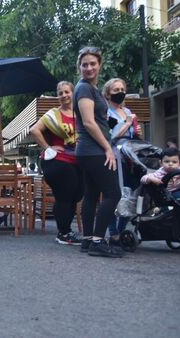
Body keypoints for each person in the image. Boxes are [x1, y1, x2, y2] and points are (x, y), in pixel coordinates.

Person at [73, 47, 124, 257]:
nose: (89, 67)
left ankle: (87, 240)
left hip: (88, 150)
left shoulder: (91, 88)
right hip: (93, 150)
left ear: (99, 64)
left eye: (93, 63)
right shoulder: (84, 88)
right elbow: (88, 122)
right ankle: (98, 241)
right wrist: (107, 148)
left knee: (92, 195)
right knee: (113, 194)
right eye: (84, 64)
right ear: (80, 67)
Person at [30, 81, 83, 245]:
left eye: (67, 92)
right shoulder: (53, 114)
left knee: (77, 194)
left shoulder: (81, 113)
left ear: (73, 93)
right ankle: (64, 232)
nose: (64, 95)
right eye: (60, 93)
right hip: (59, 161)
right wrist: (48, 147)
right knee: (65, 195)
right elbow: (34, 130)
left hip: (79, 160)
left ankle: (65, 231)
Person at [103, 78, 142, 244]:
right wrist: (127, 124)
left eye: (121, 89)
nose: (119, 92)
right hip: (114, 155)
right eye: (115, 89)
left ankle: (121, 230)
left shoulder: (128, 111)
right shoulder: (106, 112)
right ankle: (113, 232)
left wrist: (136, 131)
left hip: (130, 156)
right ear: (108, 93)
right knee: (113, 193)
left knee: (131, 192)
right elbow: (111, 135)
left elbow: (133, 134)